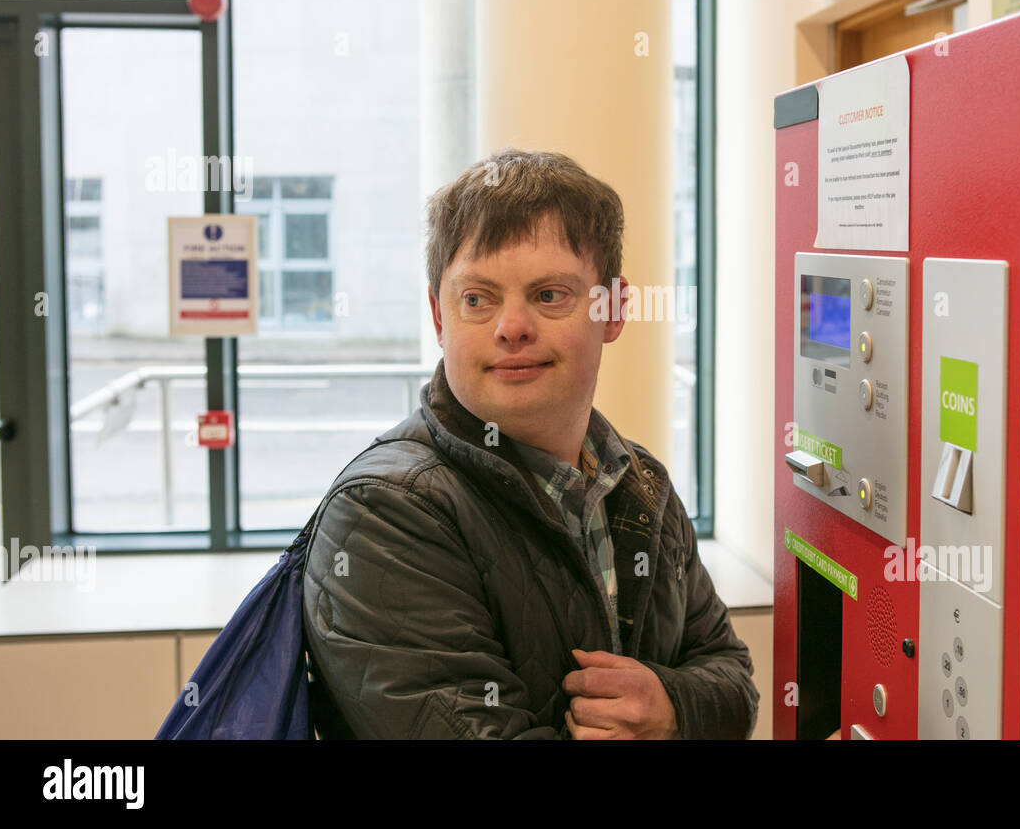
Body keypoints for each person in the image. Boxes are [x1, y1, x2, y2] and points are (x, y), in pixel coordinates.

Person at [302, 148, 759, 739]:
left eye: (549, 295)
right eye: (477, 298)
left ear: (614, 310)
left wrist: (672, 707)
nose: (511, 326)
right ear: (440, 319)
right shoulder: (385, 514)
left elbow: (735, 680)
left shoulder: (640, 483)